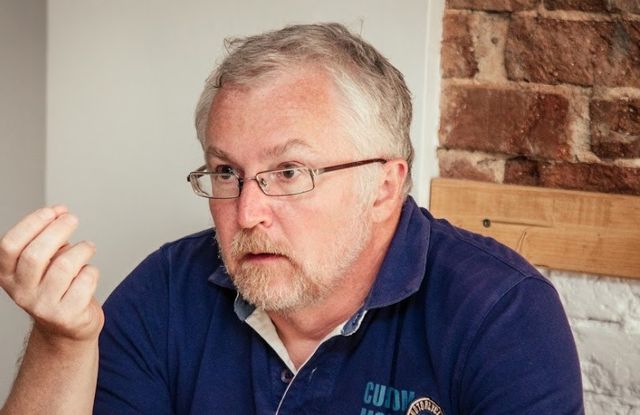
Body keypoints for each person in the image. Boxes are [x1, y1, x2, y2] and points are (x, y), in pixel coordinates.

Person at [0, 23, 583, 415]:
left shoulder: (500, 313)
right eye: (226, 172)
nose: (247, 213)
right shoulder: (167, 289)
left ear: (384, 187)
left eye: (288, 172)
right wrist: (62, 342)